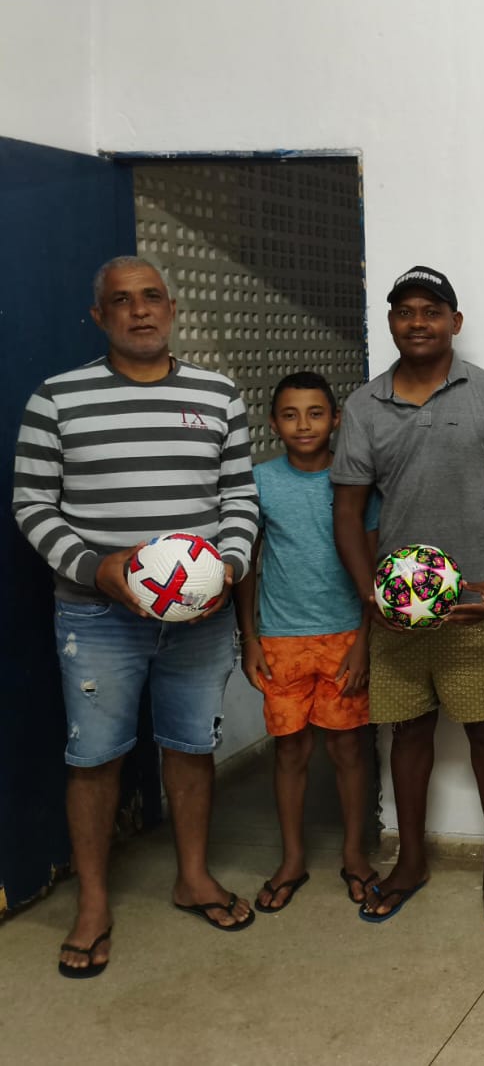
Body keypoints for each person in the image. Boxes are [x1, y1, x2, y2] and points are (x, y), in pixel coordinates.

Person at [13, 256, 261, 977]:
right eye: (122, 301)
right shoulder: (57, 398)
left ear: (172, 308)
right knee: (94, 758)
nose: (140, 310)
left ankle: (193, 877)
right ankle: (93, 903)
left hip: (200, 615)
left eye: (152, 297)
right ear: (100, 316)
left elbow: (240, 500)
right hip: (96, 616)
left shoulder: (217, 394)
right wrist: (97, 569)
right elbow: (32, 504)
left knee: (191, 745)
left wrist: (227, 569)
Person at [332, 265, 484, 924]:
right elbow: (347, 513)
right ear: (391, 321)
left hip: (474, 603)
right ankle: (411, 858)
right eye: (405, 311)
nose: (418, 322)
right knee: (408, 733)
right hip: (398, 611)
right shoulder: (364, 406)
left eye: (431, 311)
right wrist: (372, 596)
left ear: (455, 322)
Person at [236, 371, 380, 913]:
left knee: (347, 750)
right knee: (290, 750)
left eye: (316, 413)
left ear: (336, 420)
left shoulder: (355, 481)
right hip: (280, 640)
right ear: (273, 423)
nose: (303, 425)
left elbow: (372, 565)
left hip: (345, 636)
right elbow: (247, 564)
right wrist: (249, 637)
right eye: (291, 415)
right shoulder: (259, 482)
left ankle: (354, 856)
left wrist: (365, 640)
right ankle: (292, 859)